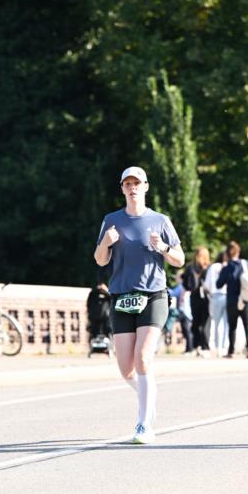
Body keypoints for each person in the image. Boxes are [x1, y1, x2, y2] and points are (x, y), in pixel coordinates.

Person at [94, 166, 185, 444]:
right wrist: (107, 243)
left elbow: (179, 259)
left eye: (137, 183)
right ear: (122, 188)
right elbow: (100, 260)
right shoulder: (111, 220)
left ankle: (144, 424)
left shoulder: (160, 221)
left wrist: (163, 248)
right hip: (122, 296)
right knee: (126, 368)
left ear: (146, 186)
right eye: (128, 184)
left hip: (153, 295)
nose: (132, 188)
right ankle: (149, 397)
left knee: (143, 357)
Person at [216, 241, 248, 358]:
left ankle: (231, 351)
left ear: (227, 254)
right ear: (238, 252)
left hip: (232, 300)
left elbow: (219, 284)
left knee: (232, 326)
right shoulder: (246, 264)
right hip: (246, 298)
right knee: (247, 324)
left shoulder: (227, 267)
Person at [182, 246, 211, 356]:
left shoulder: (190, 267)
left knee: (196, 322)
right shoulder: (208, 268)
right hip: (206, 297)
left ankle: (196, 346)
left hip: (194, 296)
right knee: (205, 323)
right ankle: (204, 348)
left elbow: (185, 283)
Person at [203, 251, 229, 355]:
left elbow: (207, 284)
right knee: (226, 323)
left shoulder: (213, 267)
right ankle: (223, 346)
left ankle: (214, 346)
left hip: (215, 296)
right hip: (227, 295)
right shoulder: (229, 266)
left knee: (215, 322)